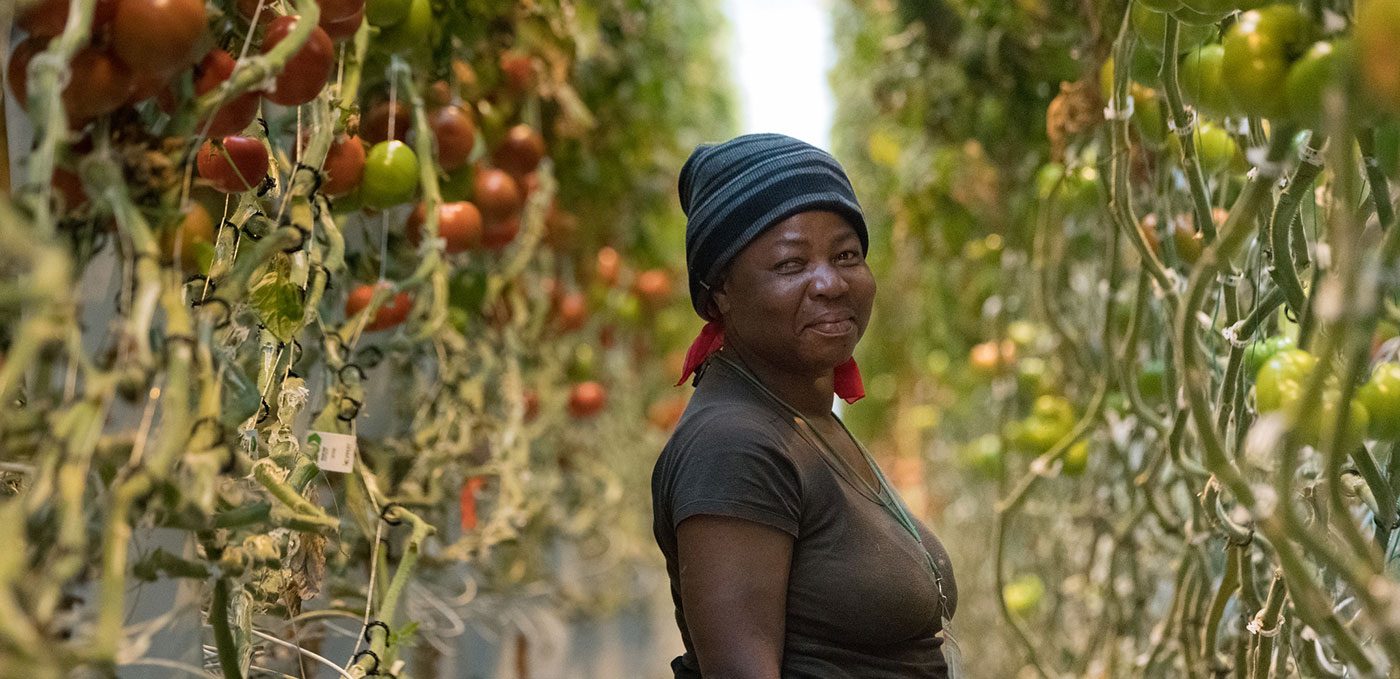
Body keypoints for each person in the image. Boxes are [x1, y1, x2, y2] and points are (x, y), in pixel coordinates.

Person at [651, 133, 959, 679]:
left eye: (847, 255)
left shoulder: (803, 417)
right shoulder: (734, 445)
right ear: (719, 288)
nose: (830, 283)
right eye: (792, 264)